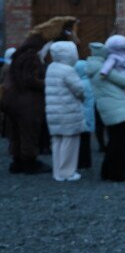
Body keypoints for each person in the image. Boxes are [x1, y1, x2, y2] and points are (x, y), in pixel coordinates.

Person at [2, 16, 79, 174]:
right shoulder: (30, 54)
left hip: (16, 99)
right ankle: (28, 162)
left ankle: (19, 161)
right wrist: (49, 82)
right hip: (25, 101)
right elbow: (29, 79)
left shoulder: (25, 52)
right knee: (28, 131)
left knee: (17, 132)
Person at [86, 40, 125, 182]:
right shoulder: (105, 69)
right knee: (120, 144)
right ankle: (118, 174)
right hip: (118, 108)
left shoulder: (92, 67)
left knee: (113, 141)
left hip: (107, 109)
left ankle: (107, 171)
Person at [44, 41, 85, 182]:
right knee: (70, 141)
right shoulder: (68, 70)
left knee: (57, 141)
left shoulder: (51, 67)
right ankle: (67, 172)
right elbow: (79, 89)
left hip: (53, 111)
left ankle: (58, 172)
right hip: (68, 110)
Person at [74, 60, 96, 170]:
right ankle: (87, 162)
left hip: (81, 115)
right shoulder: (90, 82)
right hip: (89, 114)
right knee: (86, 140)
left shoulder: (80, 84)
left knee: (80, 141)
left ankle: (80, 162)